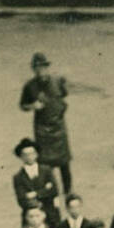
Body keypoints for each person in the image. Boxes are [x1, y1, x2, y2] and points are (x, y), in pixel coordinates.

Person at [19, 53, 73, 193]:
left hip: (58, 126)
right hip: (42, 129)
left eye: (43, 67)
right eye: (37, 68)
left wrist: (60, 108)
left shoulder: (58, 81)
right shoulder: (30, 86)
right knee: (44, 163)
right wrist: (32, 106)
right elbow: (23, 105)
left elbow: (64, 95)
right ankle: (48, 191)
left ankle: (68, 191)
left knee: (64, 162)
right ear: (33, 69)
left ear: (47, 68)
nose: (40, 70)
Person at [11, 138, 62, 228]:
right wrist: (44, 190)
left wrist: (35, 194)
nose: (29, 157)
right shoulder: (18, 177)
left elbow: (54, 191)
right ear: (21, 157)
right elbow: (22, 199)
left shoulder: (46, 170)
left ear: (36, 154)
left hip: (50, 214)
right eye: (25, 155)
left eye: (31, 153)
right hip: (30, 217)